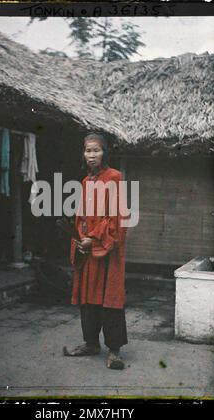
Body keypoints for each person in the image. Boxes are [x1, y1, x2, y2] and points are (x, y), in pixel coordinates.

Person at [63, 133, 128, 370]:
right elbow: (81, 216)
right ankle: (90, 343)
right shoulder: (84, 182)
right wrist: (81, 238)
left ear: (105, 153)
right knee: (88, 296)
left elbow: (117, 218)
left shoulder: (115, 178)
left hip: (107, 250)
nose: (91, 155)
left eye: (96, 151)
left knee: (109, 297)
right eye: (88, 151)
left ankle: (114, 351)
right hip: (88, 249)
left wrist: (94, 238)